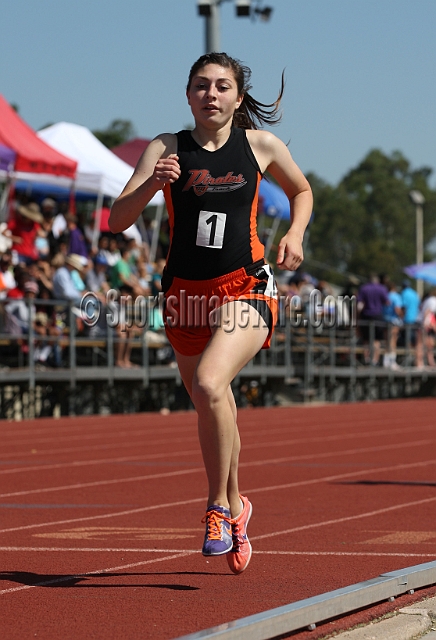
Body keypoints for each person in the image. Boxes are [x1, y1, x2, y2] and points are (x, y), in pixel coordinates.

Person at [109, 52, 313, 574]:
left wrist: (295, 232)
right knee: (211, 402)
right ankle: (240, 505)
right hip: (183, 295)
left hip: (244, 285)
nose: (211, 95)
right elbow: (117, 220)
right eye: (201, 86)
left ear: (238, 98)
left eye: (222, 86)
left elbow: (302, 190)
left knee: (208, 382)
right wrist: (155, 183)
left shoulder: (260, 146)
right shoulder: (166, 147)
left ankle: (218, 508)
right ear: (188, 94)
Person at [357, 274, 389, 366]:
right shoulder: (382, 288)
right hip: (377, 315)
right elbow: (387, 302)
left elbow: (359, 302)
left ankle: (366, 359)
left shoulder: (364, 288)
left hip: (366, 314)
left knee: (366, 339)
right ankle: (375, 360)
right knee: (377, 339)